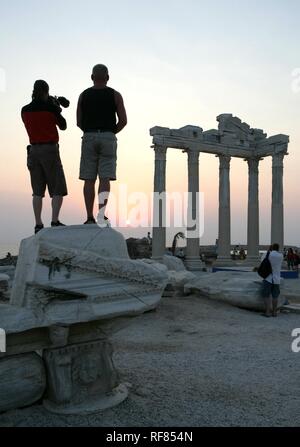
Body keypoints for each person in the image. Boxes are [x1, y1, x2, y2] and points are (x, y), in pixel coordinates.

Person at [77, 64, 127, 227]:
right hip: (108, 136)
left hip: (89, 136)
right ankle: (101, 214)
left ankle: (89, 217)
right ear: (107, 77)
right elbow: (123, 120)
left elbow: (79, 122)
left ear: (92, 77)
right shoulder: (115, 95)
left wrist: (90, 132)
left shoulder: (83, 95)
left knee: (89, 179)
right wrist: (111, 133)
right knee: (104, 178)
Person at [22, 80, 68, 234]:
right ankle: (55, 221)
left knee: (37, 191)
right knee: (57, 188)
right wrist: (56, 109)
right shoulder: (50, 109)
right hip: (50, 149)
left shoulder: (25, 110)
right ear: (46, 92)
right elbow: (63, 126)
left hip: (33, 151)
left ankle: (38, 224)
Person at [261, 243, 284, 317]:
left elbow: (262, 262)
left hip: (268, 278)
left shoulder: (267, 255)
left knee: (265, 295)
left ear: (271, 248)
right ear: (278, 248)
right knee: (275, 296)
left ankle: (267, 312)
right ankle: (274, 312)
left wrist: (268, 251)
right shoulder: (281, 256)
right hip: (277, 279)